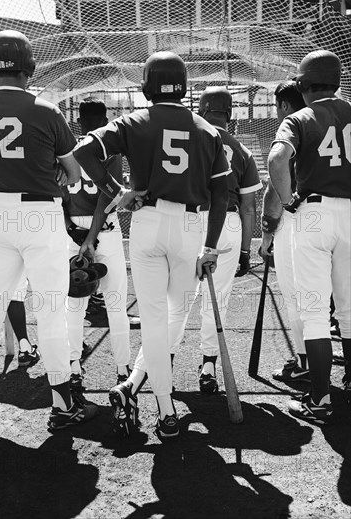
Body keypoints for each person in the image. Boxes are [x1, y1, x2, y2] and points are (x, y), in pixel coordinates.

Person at [73, 51, 231, 439]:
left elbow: (83, 152)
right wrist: (210, 247)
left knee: (157, 320)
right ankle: (148, 396)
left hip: (145, 221)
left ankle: (161, 406)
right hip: (190, 225)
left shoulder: (134, 121)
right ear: (185, 86)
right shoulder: (208, 130)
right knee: (176, 315)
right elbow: (222, 194)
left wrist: (118, 192)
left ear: (146, 85)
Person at [0, 30, 99, 429]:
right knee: (50, 310)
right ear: (29, 66)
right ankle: (63, 404)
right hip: (40, 214)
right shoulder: (47, 109)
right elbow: (72, 174)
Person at [268, 49, 351, 423]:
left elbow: (276, 160)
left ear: (302, 85)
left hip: (314, 213)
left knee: (315, 312)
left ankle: (319, 400)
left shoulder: (300, 116)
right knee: (349, 311)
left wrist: (288, 203)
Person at [63, 97, 132, 401]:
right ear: (105, 119)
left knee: (74, 305)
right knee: (116, 304)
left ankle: (74, 368)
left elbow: (58, 195)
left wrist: (72, 232)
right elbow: (109, 195)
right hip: (104, 229)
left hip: (72, 233)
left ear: (79, 122)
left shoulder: (66, 150)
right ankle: (122, 371)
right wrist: (91, 238)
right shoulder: (108, 147)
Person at [195, 87, 262, 392]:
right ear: (230, 115)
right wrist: (246, 250)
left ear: (202, 110)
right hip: (229, 225)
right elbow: (249, 207)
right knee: (216, 298)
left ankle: (158, 362)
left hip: (189, 220)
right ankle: (209, 363)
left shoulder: (192, 139)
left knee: (174, 297)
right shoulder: (243, 150)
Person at [260, 82, 309, 381]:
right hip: (341, 218)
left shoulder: (291, 130)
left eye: (278, 106)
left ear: (286, 106)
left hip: (298, 219)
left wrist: (267, 234)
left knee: (298, 297)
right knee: (340, 300)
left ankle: (304, 362)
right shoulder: (330, 121)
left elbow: (273, 193)